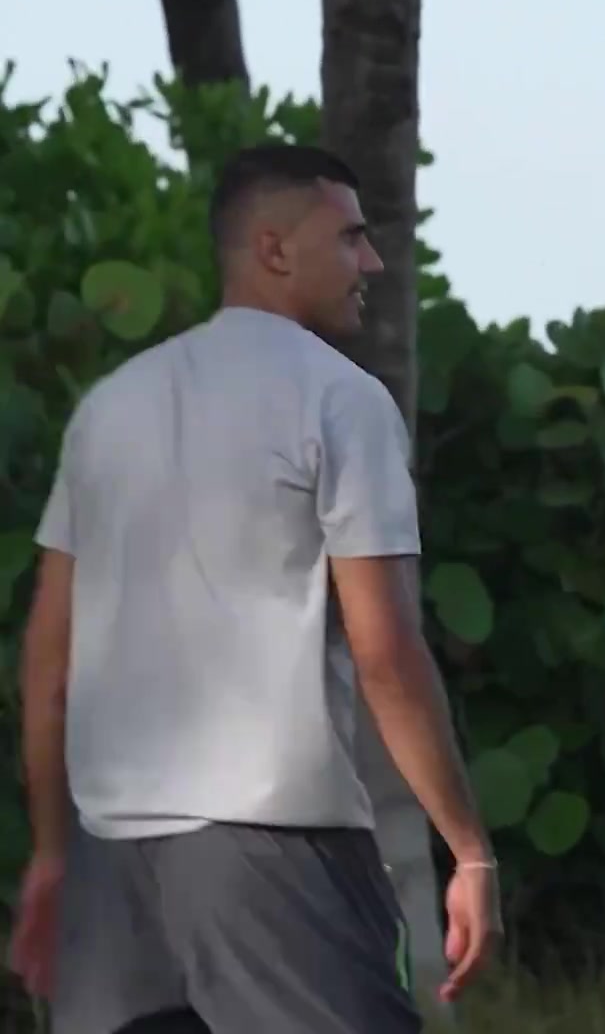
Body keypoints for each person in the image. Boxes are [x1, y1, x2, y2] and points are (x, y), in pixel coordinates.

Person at [10, 144, 500, 1034]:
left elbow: (47, 663)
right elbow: (386, 654)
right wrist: (468, 851)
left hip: (109, 867)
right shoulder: (341, 400)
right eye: (349, 237)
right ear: (274, 249)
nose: (372, 262)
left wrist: (50, 855)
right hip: (275, 856)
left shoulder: (109, 408)